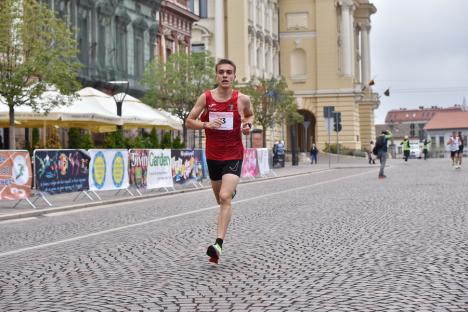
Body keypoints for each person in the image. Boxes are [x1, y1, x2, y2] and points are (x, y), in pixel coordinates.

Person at [185, 58, 254, 264]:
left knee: (225, 197)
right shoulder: (206, 98)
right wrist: (206, 124)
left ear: (234, 76)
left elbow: (250, 116)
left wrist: (247, 126)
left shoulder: (242, 99)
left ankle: (218, 245)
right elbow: (189, 121)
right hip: (213, 155)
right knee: (220, 199)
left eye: (229, 72)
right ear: (217, 75)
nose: (225, 75)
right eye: (221, 72)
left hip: (234, 154)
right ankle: (229, 191)